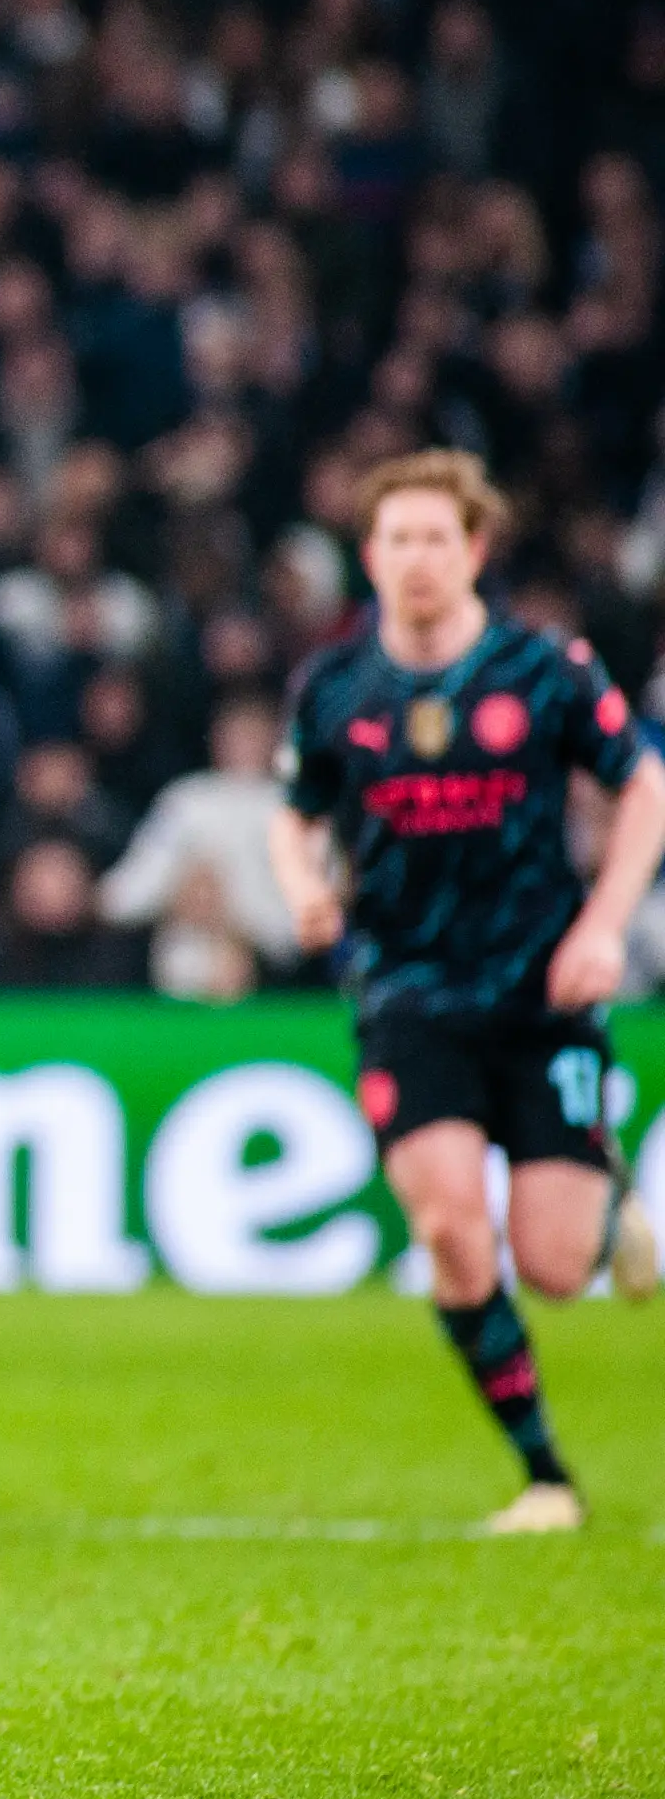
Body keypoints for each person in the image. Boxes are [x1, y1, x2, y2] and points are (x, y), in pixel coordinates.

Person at [270, 451, 665, 1535]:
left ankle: (603, 1187)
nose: (417, 561)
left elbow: (643, 786)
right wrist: (303, 885)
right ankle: (545, 1477)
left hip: (543, 993)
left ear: (476, 550)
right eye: (397, 541)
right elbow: (294, 813)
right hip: (406, 991)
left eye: (437, 539)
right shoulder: (336, 688)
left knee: (548, 1264)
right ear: (370, 557)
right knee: (449, 1229)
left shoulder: (545, 671)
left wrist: (604, 925)